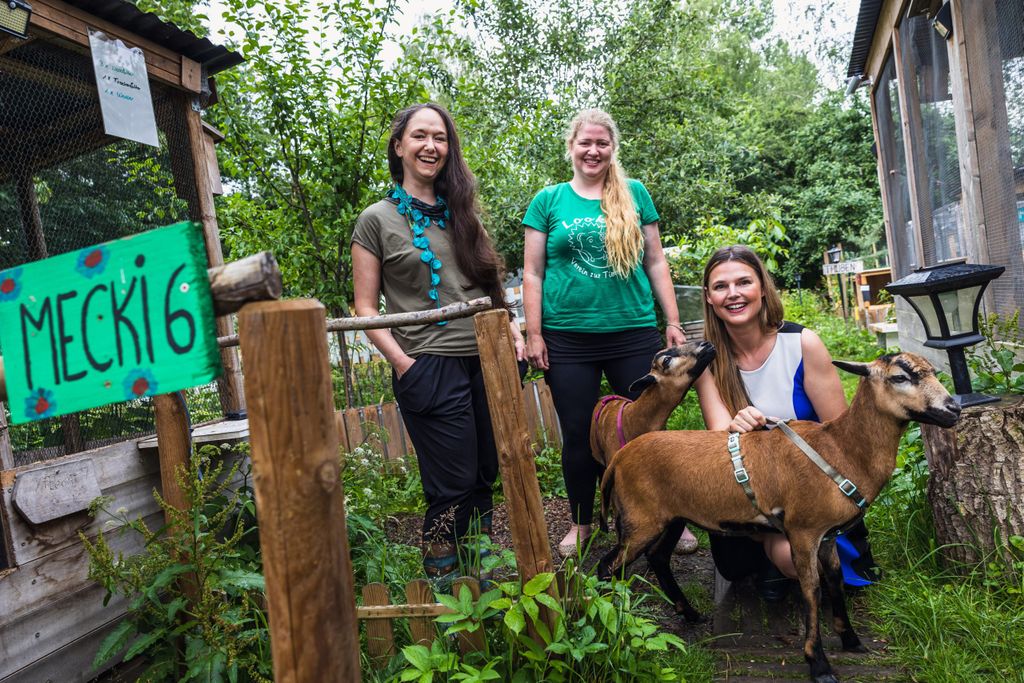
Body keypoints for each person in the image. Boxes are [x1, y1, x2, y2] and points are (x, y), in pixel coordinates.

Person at [351, 103, 525, 585]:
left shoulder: (463, 213)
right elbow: (365, 308)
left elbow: (492, 287)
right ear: (399, 146)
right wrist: (405, 364)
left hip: (488, 359)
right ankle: (446, 586)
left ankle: (481, 571)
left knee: (485, 472)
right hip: (430, 364)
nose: (432, 146)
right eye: (421, 136)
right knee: (451, 483)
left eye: (441, 138)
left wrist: (510, 330)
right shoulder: (376, 220)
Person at [522, 108, 699, 556]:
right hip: (567, 337)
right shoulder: (548, 201)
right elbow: (532, 273)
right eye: (585, 142)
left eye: (602, 143)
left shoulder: (634, 194)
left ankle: (665, 516)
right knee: (580, 435)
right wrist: (535, 333)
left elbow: (656, 261)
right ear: (572, 147)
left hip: (633, 331)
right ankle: (583, 522)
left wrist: (672, 321)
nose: (593, 150)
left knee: (649, 434)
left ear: (612, 148)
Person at [694, 244, 877, 600]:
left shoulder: (801, 343)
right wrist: (736, 427)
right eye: (721, 286)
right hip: (752, 495)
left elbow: (844, 440)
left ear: (763, 287)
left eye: (744, 282)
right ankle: (765, 550)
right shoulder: (707, 362)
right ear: (709, 298)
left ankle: (788, 555)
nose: (733, 294)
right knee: (749, 564)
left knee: (799, 559)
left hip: (810, 489)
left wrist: (781, 428)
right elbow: (717, 444)